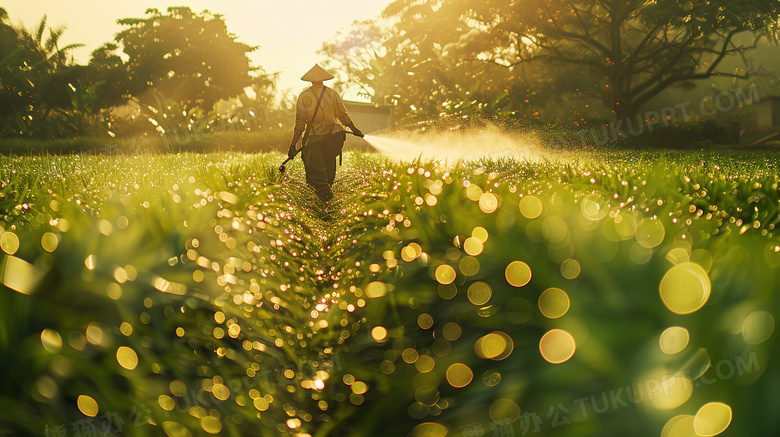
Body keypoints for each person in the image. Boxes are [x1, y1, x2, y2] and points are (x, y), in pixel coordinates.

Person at [287, 64, 363, 202]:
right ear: (323, 79)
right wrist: (354, 129)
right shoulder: (333, 94)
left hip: (313, 142)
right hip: (331, 142)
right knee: (328, 177)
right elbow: (343, 116)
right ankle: (327, 208)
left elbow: (299, 124)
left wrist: (292, 146)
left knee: (317, 180)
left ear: (310, 80)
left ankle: (325, 208)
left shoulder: (304, 96)